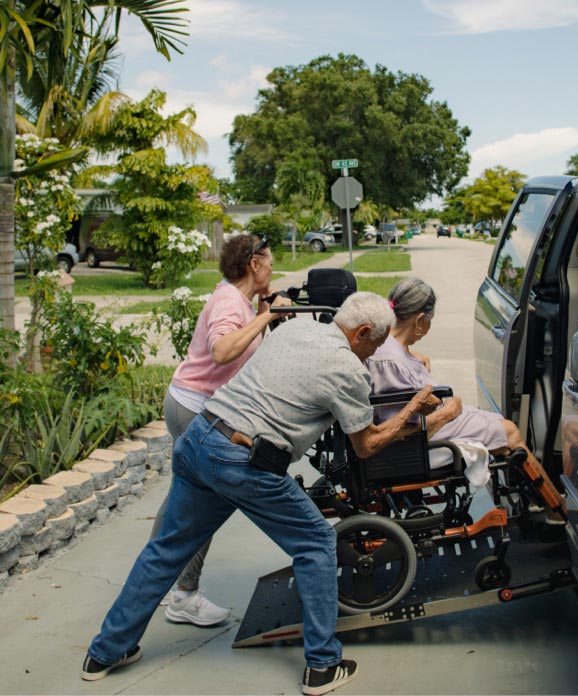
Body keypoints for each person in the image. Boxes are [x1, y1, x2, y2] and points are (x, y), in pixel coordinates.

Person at [82, 292, 451, 695]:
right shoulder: (349, 369)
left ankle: (104, 652)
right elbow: (365, 445)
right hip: (240, 461)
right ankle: (323, 666)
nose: (374, 353)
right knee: (315, 542)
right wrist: (413, 407)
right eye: (375, 344)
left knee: (166, 549)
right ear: (362, 332)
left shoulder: (295, 328)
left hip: (199, 437)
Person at [151, 233, 292, 627]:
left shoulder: (241, 301)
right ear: (254, 265)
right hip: (193, 408)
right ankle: (183, 594)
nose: (273, 268)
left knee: (184, 494)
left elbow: (246, 354)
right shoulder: (228, 301)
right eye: (270, 261)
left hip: (192, 404)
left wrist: (263, 312)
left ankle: (158, 574)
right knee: (205, 501)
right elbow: (222, 351)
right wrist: (268, 316)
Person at [366, 277, 566, 520]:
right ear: (419, 321)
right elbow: (402, 427)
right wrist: (449, 411)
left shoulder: (386, 342)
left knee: (496, 423)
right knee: (510, 431)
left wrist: (411, 355)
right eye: (429, 321)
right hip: (424, 433)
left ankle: (537, 495)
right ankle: (557, 510)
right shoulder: (391, 361)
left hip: (434, 418)